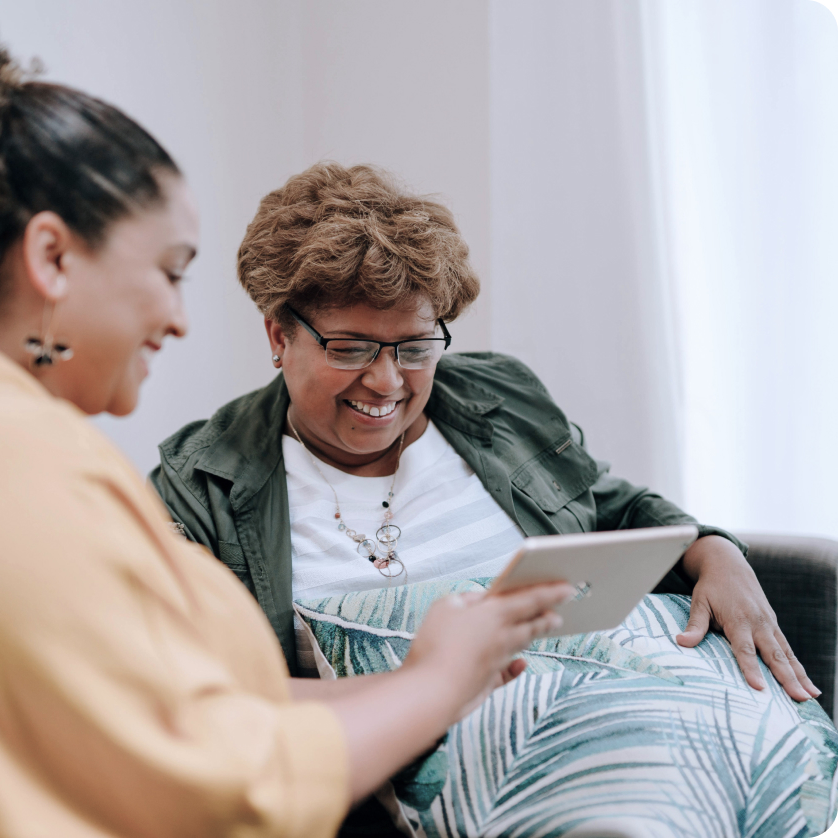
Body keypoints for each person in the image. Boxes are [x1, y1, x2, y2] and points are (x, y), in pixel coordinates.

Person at [0, 19, 572, 838]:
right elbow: (226, 788)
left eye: (412, 347)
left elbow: (190, 709)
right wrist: (438, 686)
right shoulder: (10, 466)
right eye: (169, 272)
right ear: (53, 257)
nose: (178, 320)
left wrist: (427, 676)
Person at [152, 161, 817, 703]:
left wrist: (715, 553)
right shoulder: (202, 485)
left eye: (414, 347)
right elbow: (200, 698)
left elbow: (617, 511)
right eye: (351, 349)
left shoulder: (495, 398)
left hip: (587, 715)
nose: (386, 383)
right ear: (278, 335)